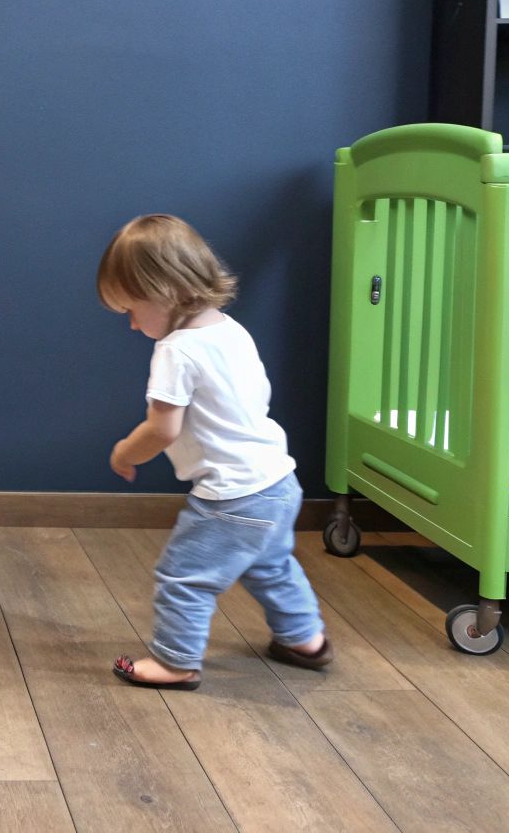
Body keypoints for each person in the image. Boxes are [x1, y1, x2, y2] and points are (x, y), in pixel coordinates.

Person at [97, 214, 332, 689]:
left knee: (184, 576)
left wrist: (124, 453)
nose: (131, 324)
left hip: (233, 495)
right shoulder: (229, 329)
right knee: (272, 565)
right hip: (278, 481)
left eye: (132, 310)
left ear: (167, 291)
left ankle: (175, 661)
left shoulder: (176, 351)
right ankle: (305, 639)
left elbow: (162, 429)